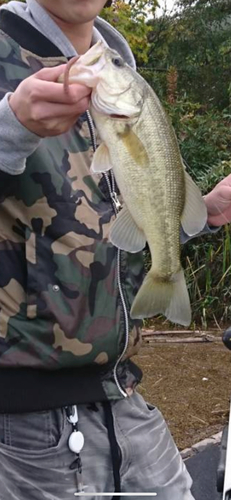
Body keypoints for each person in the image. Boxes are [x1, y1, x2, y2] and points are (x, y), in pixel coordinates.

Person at [0, 1, 230, 499]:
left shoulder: (120, 80)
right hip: (19, 431)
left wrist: (202, 213)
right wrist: (10, 129)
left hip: (122, 398)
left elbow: (98, 232)